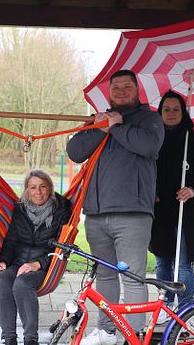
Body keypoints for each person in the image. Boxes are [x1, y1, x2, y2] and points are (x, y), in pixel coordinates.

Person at [66, 69, 164, 345]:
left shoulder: (150, 119)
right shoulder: (100, 120)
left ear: (137, 90)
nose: (121, 92)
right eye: (116, 88)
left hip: (132, 214)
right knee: (106, 276)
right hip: (96, 214)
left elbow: (148, 146)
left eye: (126, 87)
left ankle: (133, 337)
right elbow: (75, 151)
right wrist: (101, 127)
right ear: (109, 93)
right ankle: (106, 331)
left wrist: (117, 126)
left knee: (132, 278)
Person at [0, 170, 72, 345]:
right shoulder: (20, 209)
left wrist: (38, 264)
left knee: (22, 283)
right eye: (33, 187)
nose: (38, 192)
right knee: (4, 279)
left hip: (46, 266)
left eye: (43, 187)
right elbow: (11, 239)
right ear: (27, 191)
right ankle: (9, 338)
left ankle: (31, 339)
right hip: (18, 262)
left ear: (50, 189)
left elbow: (62, 246)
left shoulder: (61, 210)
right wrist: (3, 261)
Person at [149, 90, 194, 311]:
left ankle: (185, 309)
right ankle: (164, 306)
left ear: (183, 112)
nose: (171, 113)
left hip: (186, 210)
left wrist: (192, 189)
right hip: (159, 210)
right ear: (160, 112)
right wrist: (151, 191)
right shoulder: (153, 138)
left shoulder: (192, 139)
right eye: (167, 109)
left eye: (176, 109)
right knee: (162, 262)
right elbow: (146, 170)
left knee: (183, 264)